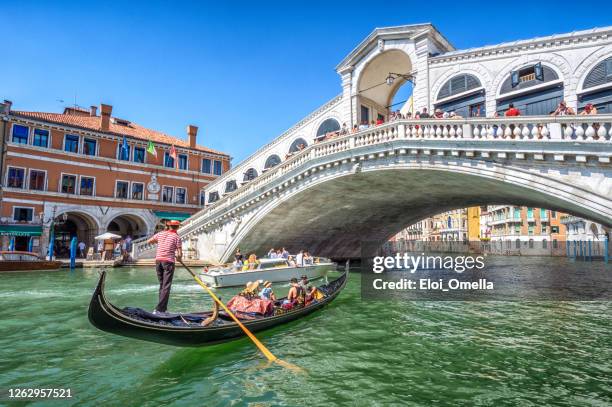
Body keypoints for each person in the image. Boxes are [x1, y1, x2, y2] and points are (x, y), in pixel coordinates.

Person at [146, 220, 183, 314]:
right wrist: (179, 258)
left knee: (162, 285)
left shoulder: (160, 234)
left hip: (158, 261)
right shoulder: (176, 237)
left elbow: (149, 241)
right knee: (166, 286)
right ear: (177, 227)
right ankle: (160, 309)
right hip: (168, 262)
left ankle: (162, 309)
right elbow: (179, 254)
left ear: (168, 226)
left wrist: (161, 244)